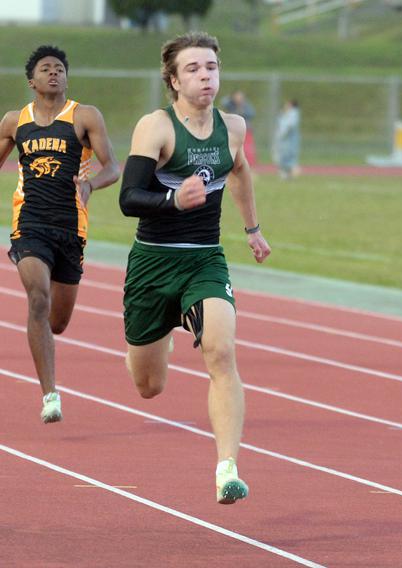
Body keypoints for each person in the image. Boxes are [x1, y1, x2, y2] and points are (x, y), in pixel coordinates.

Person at [118, 32, 271, 504]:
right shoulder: (156, 127)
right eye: (194, 69)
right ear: (173, 79)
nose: (206, 76)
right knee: (149, 386)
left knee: (221, 353)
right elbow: (129, 198)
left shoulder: (234, 127)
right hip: (152, 264)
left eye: (211, 67)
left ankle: (228, 469)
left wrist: (252, 229)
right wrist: (172, 198)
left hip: (204, 258)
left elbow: (240, 170)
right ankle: (158, 334)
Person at [0, 45, 119, 423]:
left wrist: (91, 185)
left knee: (57, 322)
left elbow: (112, 167)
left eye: (59, 69)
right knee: (38, 296)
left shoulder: (84, 116)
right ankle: (50, 394)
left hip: (70, 227)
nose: (54, 73)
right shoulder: (14, 121)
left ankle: (45, 342)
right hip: (29, 223)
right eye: (46, 68)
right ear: (32, 81)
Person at [221, 90, 257, 168]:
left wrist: (242, 110)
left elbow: (252, 113)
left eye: (241, 96)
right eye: (237, 96)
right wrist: (231, 99)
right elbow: (223, 102)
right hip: (233, 131)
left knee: (247, 149)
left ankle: (250, 167)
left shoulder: (246, 105)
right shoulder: (231, 105)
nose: (239, 98)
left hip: (246, 130)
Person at [273, 99, 300, 179]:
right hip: (283, 139)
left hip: (288, 139)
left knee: (288, 156)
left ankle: (289, 174)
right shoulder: (285, 113)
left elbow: (289, 126)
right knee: (282, 156)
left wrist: (281, 134)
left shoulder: (294, 113)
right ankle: (286, 174)